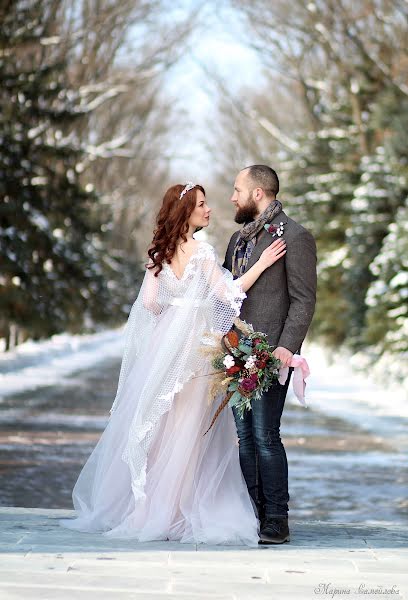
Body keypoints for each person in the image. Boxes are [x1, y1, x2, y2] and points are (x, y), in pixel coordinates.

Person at [60, 182, 286, 546]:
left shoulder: (160, 254)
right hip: (194, 349)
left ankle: (153, 509)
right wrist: (260, 265)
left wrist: (175, 314)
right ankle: (180, 511)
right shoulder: (202, 251)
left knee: (164, 428)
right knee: (192, 431)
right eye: (201, 205)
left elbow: (149, 303)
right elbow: (227, 294)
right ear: (186, 213)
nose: (208, 209)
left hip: (165, 346)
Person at [223, 165, 317, 544]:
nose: (232, 197)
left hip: (271, 353)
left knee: (265, 435)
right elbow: (227, 291)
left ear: (258, 193)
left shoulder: (295, 236)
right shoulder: (238, 240)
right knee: (245, 437)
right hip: (234, 350)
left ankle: (276, 518)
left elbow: (303, 300)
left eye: (237, 189)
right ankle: (252, 511)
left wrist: (286, 347)